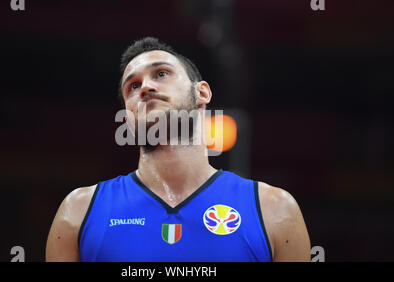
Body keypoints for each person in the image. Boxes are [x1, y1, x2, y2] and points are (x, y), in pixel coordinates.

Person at [45, 37, 311, 262]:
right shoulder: (78, 212)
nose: (146, 87)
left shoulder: (275, 210)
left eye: (161, 74)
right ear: (127, 118)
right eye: (133, 86)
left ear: (202, 93)